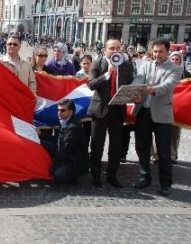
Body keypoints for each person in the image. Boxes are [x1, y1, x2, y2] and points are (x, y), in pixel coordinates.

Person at [131, 39, 183, 196]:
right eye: (155, 51)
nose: (157, 54)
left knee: (163, 151)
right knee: (142, 147)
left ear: (167, 52)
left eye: (161, 51)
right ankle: (144, 177)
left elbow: (168, 85)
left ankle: (166, 183)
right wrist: (134, 91)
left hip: (162, 114)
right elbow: (138, 79)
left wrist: (151, 90)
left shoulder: (175, 68)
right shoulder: (146, 65)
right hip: (143, 112)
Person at [88, 39, 134, 188]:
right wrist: (107, 74)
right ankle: (95, 175)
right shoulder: (98, 63)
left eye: (117, 48)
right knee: (97, 145)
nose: (115, 51)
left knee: (116, 145)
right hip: (100, 109)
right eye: (111, 48)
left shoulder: (126, 66)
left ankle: (112, 175)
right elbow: (91, 84)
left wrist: (133, 94)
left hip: (117, 110)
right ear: (105, 50)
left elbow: (130, 85)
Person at [48, 99, 89, 184]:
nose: (59, 112)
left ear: (70, 112)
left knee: (57, 176)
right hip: (65, 153)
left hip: (74, 161)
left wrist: (53, 168)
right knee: (43, 142)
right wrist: (40, 135)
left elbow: (65, 150)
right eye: (58, 110)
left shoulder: (73, 127)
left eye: (62, 110)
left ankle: (72, 177)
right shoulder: (64, 121)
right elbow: (57, 139)